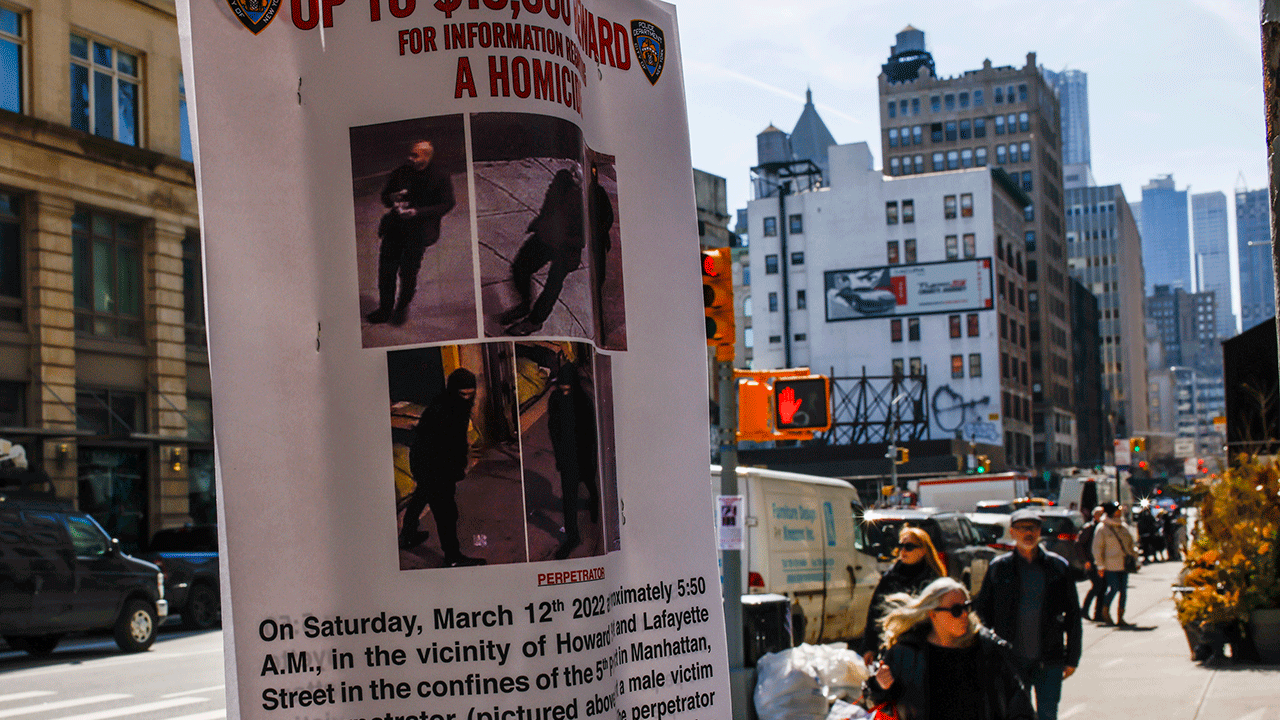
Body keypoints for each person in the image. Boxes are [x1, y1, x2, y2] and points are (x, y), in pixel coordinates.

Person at [863, 576, 1035, 720]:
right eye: (956, 610)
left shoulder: (988, 649)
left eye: (966, 607)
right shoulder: (906, 653)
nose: (964, 615)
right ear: (933, 614)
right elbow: (877, 705)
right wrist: (880, 686)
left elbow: (1017, 701)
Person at [974, 509, 1082, 720]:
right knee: (1015, 713)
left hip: (1049, 657)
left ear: (1040, 531)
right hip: (1012, 658)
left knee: (1048, 713)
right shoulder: (999, 568)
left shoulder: (1057, 567)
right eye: (1022, 528)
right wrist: (986, 652)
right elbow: (982, 615)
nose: (1028, 533)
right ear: (1013, 532)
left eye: (1033, 528)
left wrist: (1072, 657)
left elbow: (1073, 615)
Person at [400, 368, 486, 567]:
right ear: (453, 392)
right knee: (446, 513)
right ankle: (453, 557)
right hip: (432, 466)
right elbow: (442, 449)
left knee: (422, 495)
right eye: (462, 394)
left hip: (429, 462)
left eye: (470, 394)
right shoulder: (444, 412)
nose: (466, 398)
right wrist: (454, 471)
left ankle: (408, 534)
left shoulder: (453, 407)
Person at [368, 140, 457, 327]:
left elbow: (447, 203)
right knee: (386, 272)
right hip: (394, 229)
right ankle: (385, 309)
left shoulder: (439, 176)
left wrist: (418, 212)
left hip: (418, 233)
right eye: (410, 154)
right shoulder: (401, 172)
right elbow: (385, 196)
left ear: (426, 156)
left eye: (415, 155)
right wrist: (392, 198)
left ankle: (401, 308)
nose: (410, 158)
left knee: (408, 274)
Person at [498, 167, 586, 336]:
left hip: (566, 250)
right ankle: (524, 304)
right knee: (520, 267)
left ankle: (534, 322)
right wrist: (539, 223)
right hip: (546, 238)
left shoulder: (580, 204)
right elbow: (548, 210)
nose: (550, 187)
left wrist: (560, 238)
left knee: (553, 285)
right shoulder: (558, 186)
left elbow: (582, 240)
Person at [861, 527, 946, 658]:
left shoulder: (933, 580)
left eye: (909, 547)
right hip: (892, 645)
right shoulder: (891, 576)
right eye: (900, 546)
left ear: (923, 551)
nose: (903, 551)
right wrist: (870, 647)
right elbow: (875, 612)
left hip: (923, 649)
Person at [546, 362, 600, 560]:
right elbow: (554, 430)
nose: (564, 392)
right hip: (568, 459)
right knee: (568, 500)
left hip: (583, 456)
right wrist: (560, 457)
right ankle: (572, 536)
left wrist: (590, 459)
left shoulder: (583, 401)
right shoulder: (555, 399)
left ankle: (594, 504)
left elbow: (590, 434)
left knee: (589, 484)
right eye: (562, 388)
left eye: (568, 388)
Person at [1092, 501, 1138, 626]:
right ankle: (1105, 611)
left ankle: (1120, 616)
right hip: (1110, 565)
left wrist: (1136, 558)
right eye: (1116, 511)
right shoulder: (1102, 528)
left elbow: (1131, 545)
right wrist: (1100, 565)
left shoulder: (1123, 527)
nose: (1119, 513)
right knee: (1114, 588)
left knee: (1123, 591)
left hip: (1124, 564)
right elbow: (1097, 548)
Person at [1077, 506, 1106, 621]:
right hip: (1091, 562)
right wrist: (1085, 561)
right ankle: (1084, 610)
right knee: (1098, 586)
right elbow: (1078, 544)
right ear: (1095, 516)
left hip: (1100, 562)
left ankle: (1098, 614)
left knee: (1102, 587)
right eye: (1100, 514)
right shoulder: (1089, 527)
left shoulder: (1102, 527)